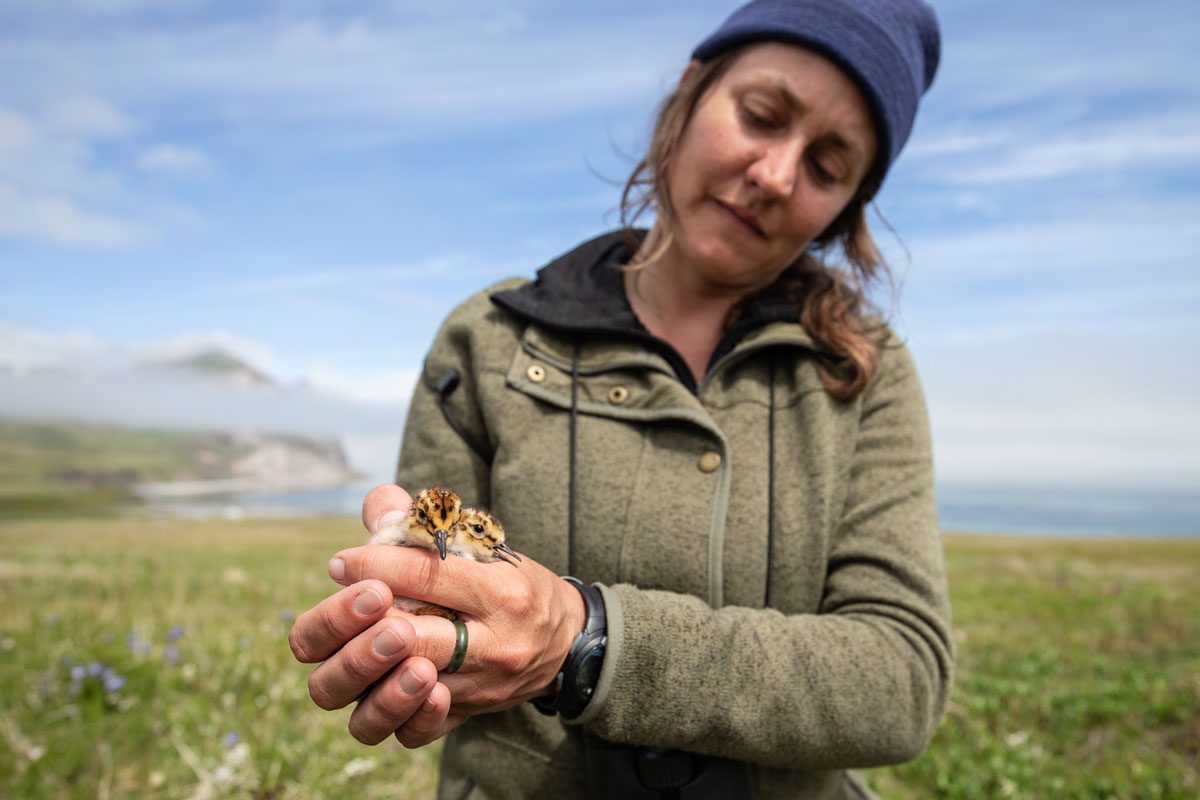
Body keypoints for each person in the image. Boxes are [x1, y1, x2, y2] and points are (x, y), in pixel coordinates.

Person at [289, 0, 954, 797]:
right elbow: (438, 609)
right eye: (761, 114)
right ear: (690, 93)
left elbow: (901, 678)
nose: (775, 176)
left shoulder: (866, 372)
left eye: (827, 167)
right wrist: (405, 636)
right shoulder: (485, 341)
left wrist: (587, 641)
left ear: (845, 208)